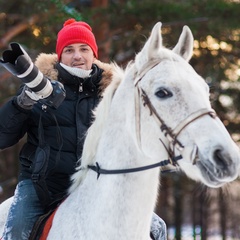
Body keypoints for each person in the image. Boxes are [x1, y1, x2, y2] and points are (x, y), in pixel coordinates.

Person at [0, 18, 167, 240]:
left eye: (83, 49)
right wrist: (21, 103)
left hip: (96, 187)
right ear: (60, 56)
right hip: (40, 186)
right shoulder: (37, 87)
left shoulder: (113, 95)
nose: (77, 56)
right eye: (69, 50)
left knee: (157, 228)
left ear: (93, 54)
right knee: (18, 231)